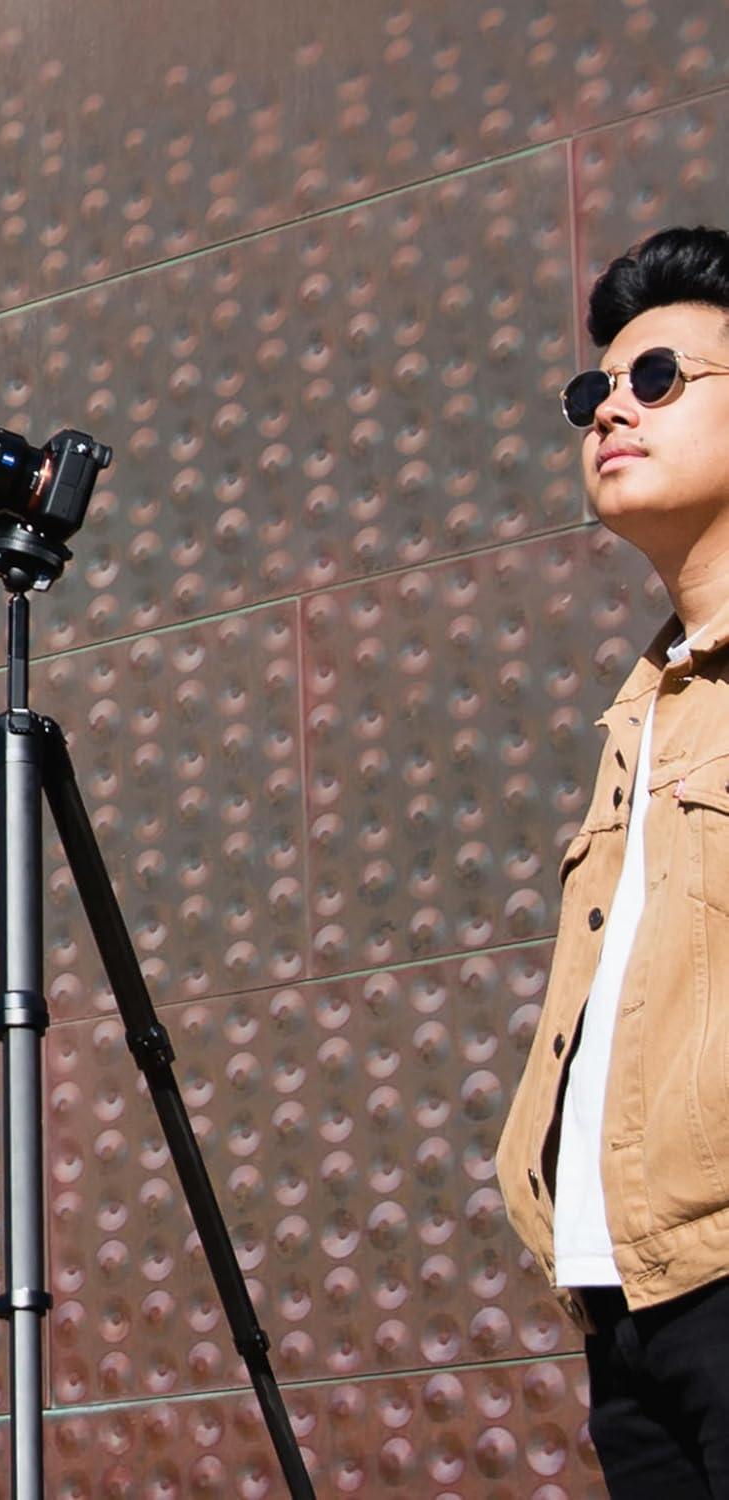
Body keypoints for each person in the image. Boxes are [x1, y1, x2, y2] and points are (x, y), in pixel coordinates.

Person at [498, 225, 729, 1496]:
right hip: (624, 1299)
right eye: (595, 389)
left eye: (658, 380)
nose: (609, 411)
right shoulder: (643, 709)